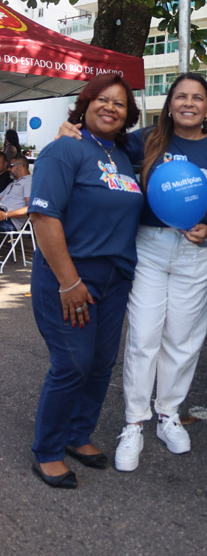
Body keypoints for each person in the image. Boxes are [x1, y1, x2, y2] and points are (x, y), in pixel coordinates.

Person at [114, 73, 207, 471]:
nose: (189, 103)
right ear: (169, 104)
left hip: (195, 250)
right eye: (181, 96)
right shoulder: (146, 139)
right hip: (149, 245)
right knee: (144, 336)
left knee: (183, 339)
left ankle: (168, 414)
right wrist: (72, 129)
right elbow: (102, 142)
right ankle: (134, 423)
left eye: (197, 97)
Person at [28, 74, 144, 489]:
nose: (110, 107)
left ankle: (78, 434)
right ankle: (48, 449)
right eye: (102, 99)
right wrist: (68, 281)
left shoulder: (125, 154)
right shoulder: (64, 149)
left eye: (119, 103)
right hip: (69, 275)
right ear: (85, 103)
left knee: (99, 363)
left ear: (128, 114)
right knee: (72, 363)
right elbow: (43, 217)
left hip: (115, 278)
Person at [0, 154, 31, 232]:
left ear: (20, 166)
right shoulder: (12, 183)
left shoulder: (29, 181)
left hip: (9, 220)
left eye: (11, 166)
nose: (8, 169)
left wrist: (6, 215)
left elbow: (30, 208)